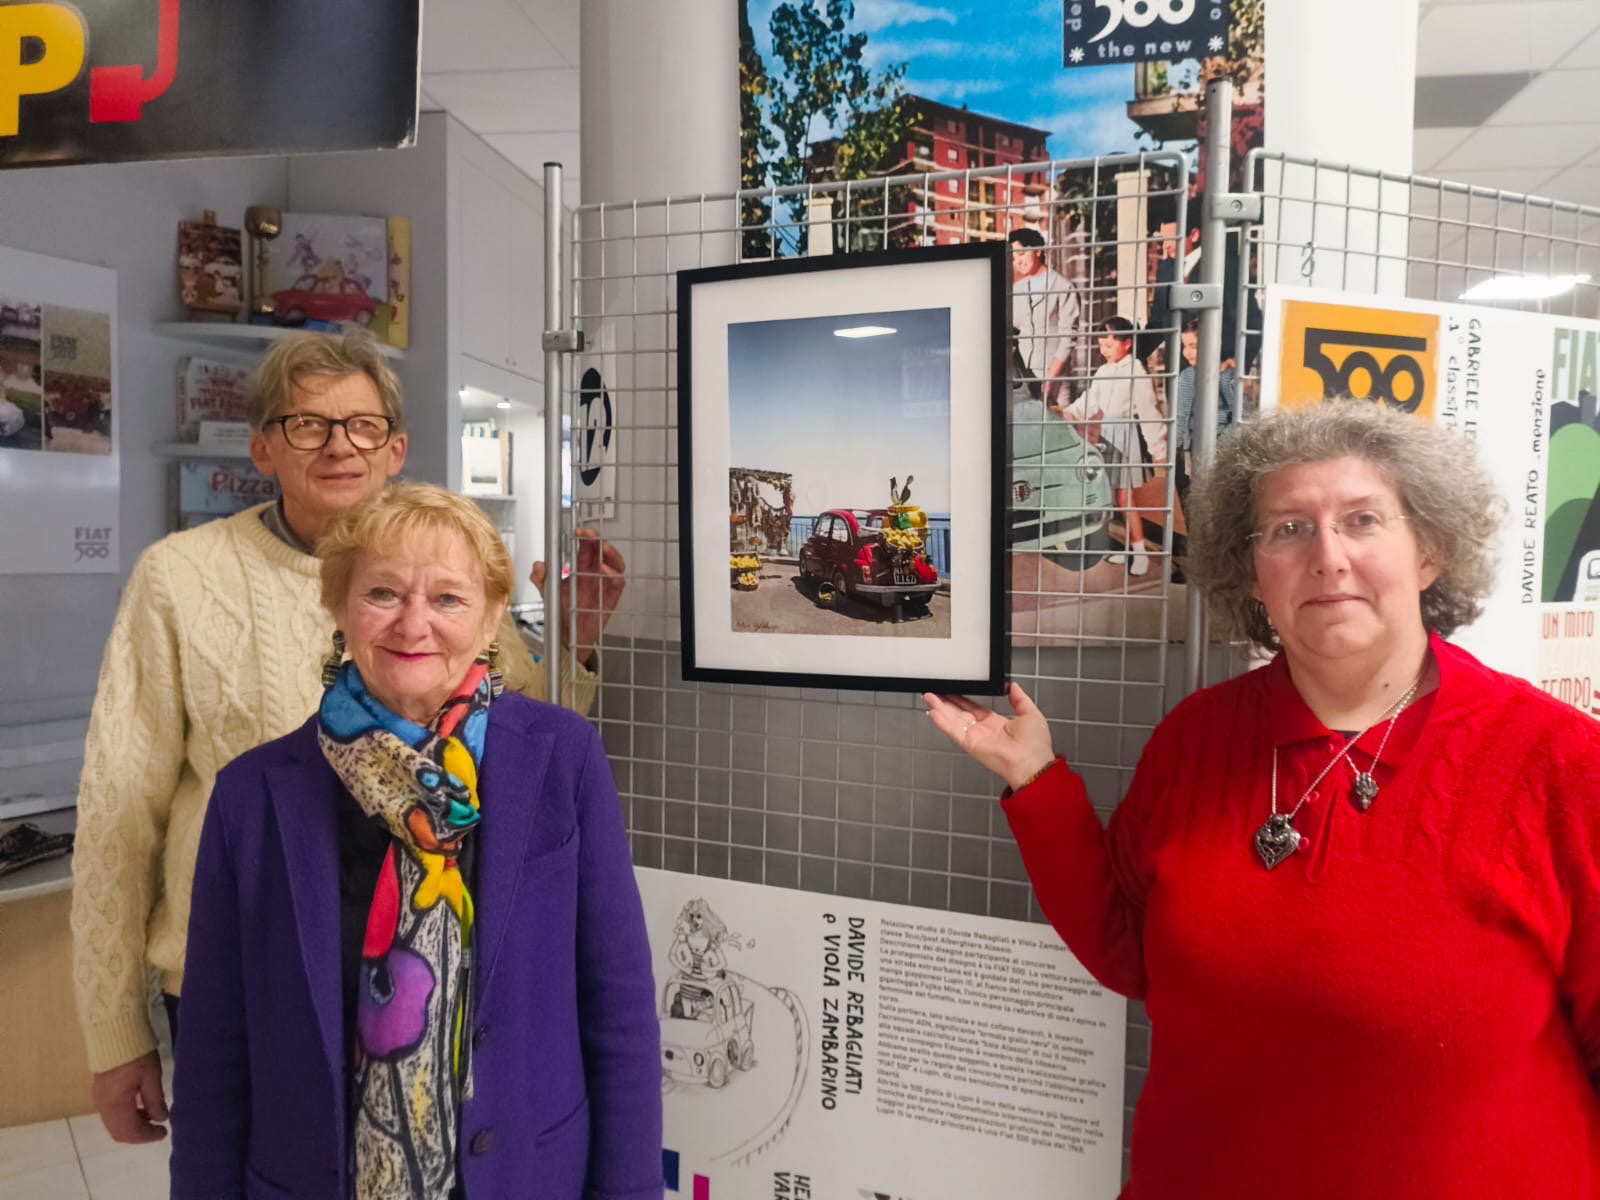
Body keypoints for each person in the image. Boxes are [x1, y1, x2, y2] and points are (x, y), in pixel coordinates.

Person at [924, 400, 1600, 1198]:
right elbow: (1129, 953)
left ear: (1431, 551)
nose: (1328, 557)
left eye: (1362, 520)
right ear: (1250, 574)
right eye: (1288, 529)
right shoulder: (1196, 739)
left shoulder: (1557, 762)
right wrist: (1037, 783)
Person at [71, 330, 626, 1145]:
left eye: (363, 426)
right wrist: (115, 1034)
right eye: (307, 425)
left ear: (395, 448)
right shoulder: (179, 577)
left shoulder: (445, 565)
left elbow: (517, 741)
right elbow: (119, 814)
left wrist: (574, 641)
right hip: (246, 976)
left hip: (438, 961)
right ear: (263, 446)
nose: (339, 446)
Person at [170, 483, 661, 1200]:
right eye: (383, 593)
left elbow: (617, 1008)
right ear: (338, 606)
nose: (413, 624)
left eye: (448, 599)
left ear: (493, 616)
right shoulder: (252, 796)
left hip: (529, 1173)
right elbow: (215, 1049)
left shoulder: (562, 761)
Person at [1058, 316, 1167, 577]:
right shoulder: (1104, 371)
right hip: (1105, 435)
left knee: (1124, 498)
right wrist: (1065, 413)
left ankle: (1139, 552)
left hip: (1125, 436)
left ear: (1126, 343)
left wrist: (1158, 448)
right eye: (1100, 346)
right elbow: (1089, 402)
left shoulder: (1136, 371)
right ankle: (1126, 548)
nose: (1103, 351)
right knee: (1107, 496)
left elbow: (1149, 411)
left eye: (1108, 346)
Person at [1008, 226, 1082, 406]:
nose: (1018, 261)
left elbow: (1067, 339)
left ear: (1039, 251)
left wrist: (1050, 382)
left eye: (1022, 254)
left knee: (1057, 429)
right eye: (1013, 257)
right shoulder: (1015, 291)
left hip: (1055, 378)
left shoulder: (1064, 288)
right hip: (1022, 379)